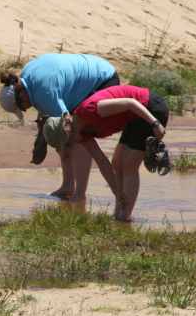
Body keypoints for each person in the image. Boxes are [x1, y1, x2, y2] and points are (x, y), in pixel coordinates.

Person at [0, 53, 120, 200]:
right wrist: (42, 140)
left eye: (22, 108)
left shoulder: (45, 93)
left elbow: (67, 126)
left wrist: (57, 143)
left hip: (103, 80)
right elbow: (50, 120)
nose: (26, 109)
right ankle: (68, 186)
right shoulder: (26, 77)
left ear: (21, 95)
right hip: (86, 78)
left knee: (80, 137)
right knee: (60, 137)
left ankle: (79, 194)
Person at [41, 84, 169, 221]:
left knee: (128, 165)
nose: (72, 145)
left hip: (149, 108)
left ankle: (124, 217)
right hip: (133, 117)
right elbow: (102, 162)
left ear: (67, 126)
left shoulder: (89, 110)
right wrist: (118, 194)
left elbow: (130, 103)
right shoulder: (81, 134)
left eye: (68, 141)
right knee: (117, 163)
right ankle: (120, 212)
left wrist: (155, 124)